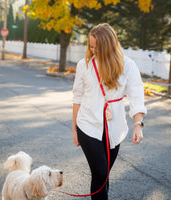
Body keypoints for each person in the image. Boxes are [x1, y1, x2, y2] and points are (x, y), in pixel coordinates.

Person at [72, 23, 147, 200]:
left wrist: (139, 124)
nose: (93, 51)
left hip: (114, 128)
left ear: (109, 46)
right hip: (87, 125)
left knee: (103, 175)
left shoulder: (127, 65)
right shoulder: (84, 65)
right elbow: (77, 99)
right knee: (100, 171)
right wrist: (74, 130)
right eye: (91, 46)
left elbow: (136, 95)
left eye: (97, 48)